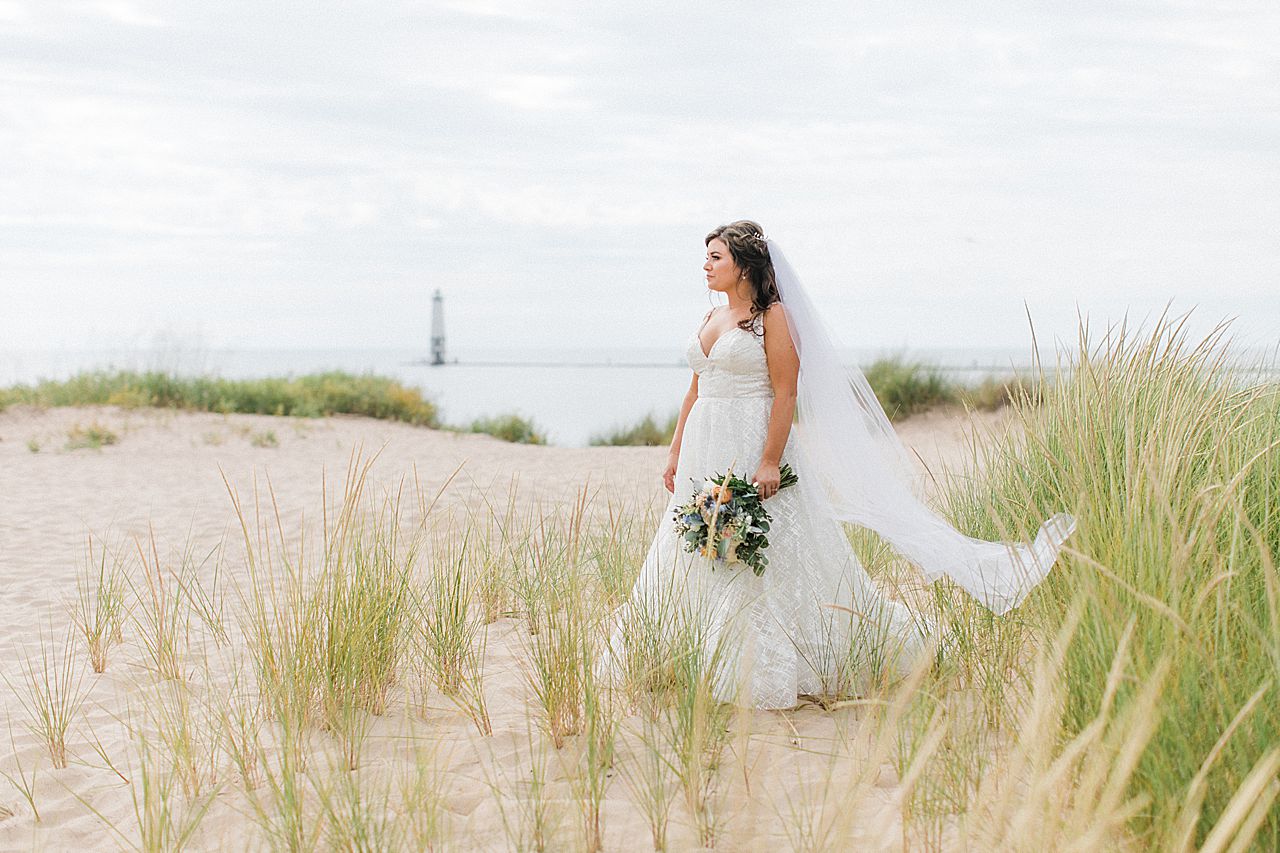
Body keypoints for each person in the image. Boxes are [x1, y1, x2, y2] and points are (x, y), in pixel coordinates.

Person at [602, 220, 1075, 710]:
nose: (706, 265)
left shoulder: (773, 316)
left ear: (744, 266)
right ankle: (697, 651)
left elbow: (785, 391)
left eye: (716, 257)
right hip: (706, 444)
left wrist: (768, 460)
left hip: (753, 440)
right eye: (707, 257)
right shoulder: (709, 316)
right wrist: (676, 449)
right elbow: (696, 388)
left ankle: (767, 660)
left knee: (766, 548)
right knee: (697, 546)